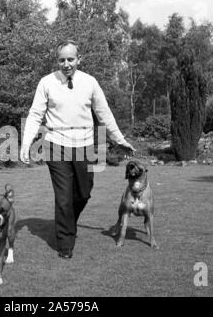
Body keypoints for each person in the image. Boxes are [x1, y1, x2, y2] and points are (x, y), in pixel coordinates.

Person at [20, 40, 135, 259]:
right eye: (62, 60)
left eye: (70, 59)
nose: (66, 64)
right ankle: (65, 245)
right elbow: (35, 115)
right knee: (63, 197)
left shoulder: (90, 82)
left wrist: (119, 138)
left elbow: (104, 113)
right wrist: (26, 144)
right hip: (55, 143)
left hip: (84, 144)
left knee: (84, 192)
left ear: (78, 59)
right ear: (58, 61)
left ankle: (68, 221)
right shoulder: (46, 83)